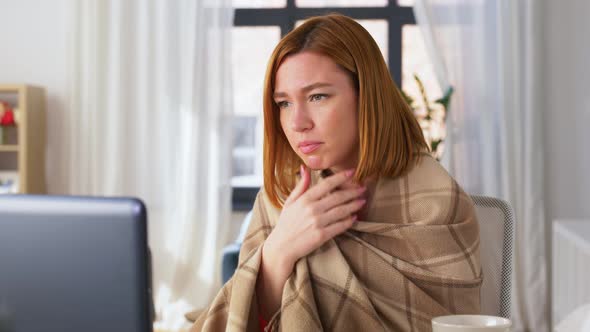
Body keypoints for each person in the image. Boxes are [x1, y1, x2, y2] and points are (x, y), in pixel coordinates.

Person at [191, 13, 481, 332]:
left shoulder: (437, 205)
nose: (297, 122)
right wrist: (278, 252)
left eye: (318, 96)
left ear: (366, 96)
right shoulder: (282, 199)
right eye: (284, 103)